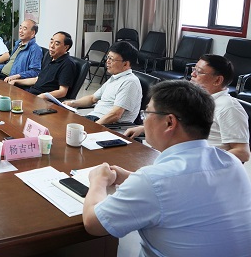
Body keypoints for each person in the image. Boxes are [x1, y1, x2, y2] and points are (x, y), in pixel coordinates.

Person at [83, 80, 251, 256]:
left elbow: (94, 224)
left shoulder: (152, 180)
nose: (144, 120)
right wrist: (130, 177)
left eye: (147, 113)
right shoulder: (231, 163)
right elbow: (185, 188)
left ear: (169, 122)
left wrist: (98, 181)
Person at [125, 54, 250, 162]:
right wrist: (143, 128)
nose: (192, 74)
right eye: (194, 69)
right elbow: (180, 126)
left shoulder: (228, 107)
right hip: (178, 156)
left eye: (199, 72)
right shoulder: (195, 99)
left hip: (200, 166)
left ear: (218, 80)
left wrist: (203, 161)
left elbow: (242, 152)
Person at [64, 41, 141, 125]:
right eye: (108, 57)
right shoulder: (115, 77)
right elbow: (92, 98)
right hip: (94, 118)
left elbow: (115, 115)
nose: (107, 61)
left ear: (125, 64)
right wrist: (71, 103)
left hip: (107, 125)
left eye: (111, 59)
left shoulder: (130, 82)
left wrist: (93, 126)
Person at [9, 31, 76, 99]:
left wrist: (43, 96)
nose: (52, 46)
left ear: (66, 47)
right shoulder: (49, 56)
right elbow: (37, 79)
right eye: (51, 42)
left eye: (57, 44)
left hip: (43, 99)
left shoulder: (68, 64)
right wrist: (16, 81)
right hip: (32, 93)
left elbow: (62, 92)